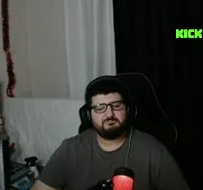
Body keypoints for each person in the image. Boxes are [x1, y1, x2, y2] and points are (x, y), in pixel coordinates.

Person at [32, 75, 190, 190]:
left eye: (116, 105)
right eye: (99, 108)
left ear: (129, 110)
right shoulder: (70, 149)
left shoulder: (153, 152)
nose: (109, 114)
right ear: (88, 115)